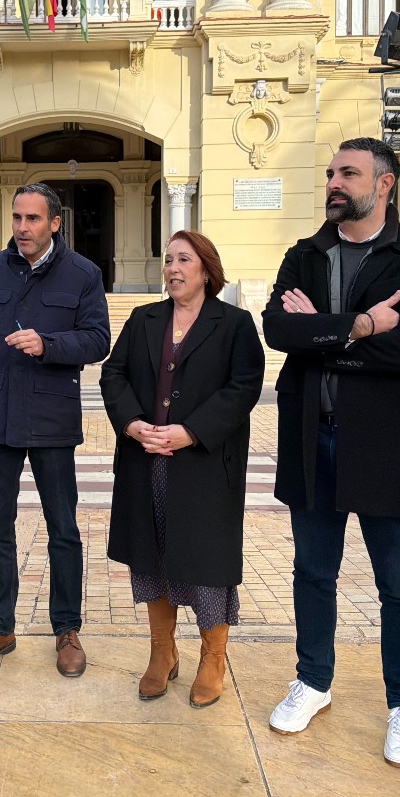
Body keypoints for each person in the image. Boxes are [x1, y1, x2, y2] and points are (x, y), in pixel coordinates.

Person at [260, 137, 400, 766]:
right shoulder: (306, 254)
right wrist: (361, 325)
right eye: (332, 172)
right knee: (314, 572)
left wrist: (322, 333)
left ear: (385, 184)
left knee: (399, 582)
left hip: (388, 444)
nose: (335, 182)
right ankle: (313, 682)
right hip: (313, 438)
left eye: (349, 173)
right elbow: (277, 330)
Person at [0, 182, 109, 678]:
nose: (22, 228)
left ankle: (67, 628)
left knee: (64, 530)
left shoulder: (83, 275)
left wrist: (47, 343)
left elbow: (98, 340)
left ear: (55, 223)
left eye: (32, 219)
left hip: (52, 420)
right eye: (16, 218)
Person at [101, 231, 264, 708]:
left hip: (205, 465)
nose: (172, 268)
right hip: (145, 460)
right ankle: (162, 653)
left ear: (206, 269)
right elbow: (114, 374)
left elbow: (243, 387)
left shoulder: (234, 323)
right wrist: (132, 424)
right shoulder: (142, 319)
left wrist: (190, 431)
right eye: (168, 260)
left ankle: (213, 659)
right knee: (150, 555)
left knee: (206, 564)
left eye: (183, 260)